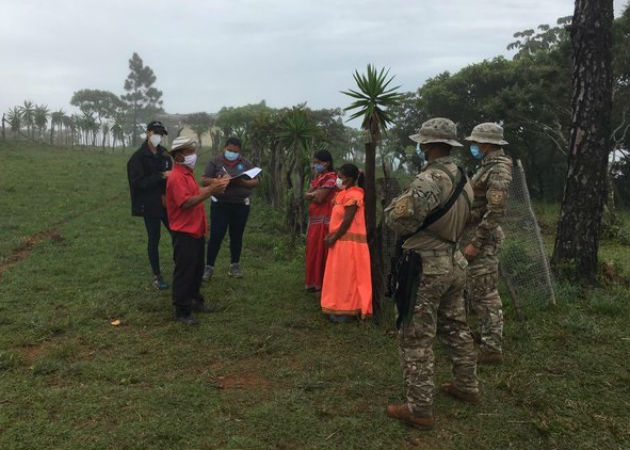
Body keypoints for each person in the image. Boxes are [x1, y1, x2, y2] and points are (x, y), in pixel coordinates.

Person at [384, 117, 478, 430]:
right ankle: (467, 384)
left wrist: (392, 209)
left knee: (416, 336)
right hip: (454, 261)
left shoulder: (428, 180)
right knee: (455, 326)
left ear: (427, 145)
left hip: (426, 266)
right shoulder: (465, 179)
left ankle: (419, 408)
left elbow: (401, 222)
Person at [462, 122, 513, 364]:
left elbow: (495, 211)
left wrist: (477, 242)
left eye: (476, 142)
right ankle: (485, 335)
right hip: (476, 232)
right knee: (477, 289)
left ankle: (492, 348)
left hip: (485, 238)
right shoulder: (487, 166)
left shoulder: (499, 169)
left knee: (486, 292)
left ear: (486, 143)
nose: (474, 145)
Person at [166, 137, 229, 325]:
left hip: (195, 229)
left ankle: (194, 300)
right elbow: (186, 202)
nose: (194, 155)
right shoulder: (177, 178)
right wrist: (211, 190)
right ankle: (182, 310)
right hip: (184, 231)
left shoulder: (187, 174)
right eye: (189, 152)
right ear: (179, 156)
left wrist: (213, 188)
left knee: (196, 269)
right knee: (185, 271)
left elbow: (195, 193)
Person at [202, 137, 259, 280]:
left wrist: (242, 182)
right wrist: (218, 181)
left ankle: (234, 266)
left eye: (235, 151)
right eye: (229, 150)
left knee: (237, 236)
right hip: (220, 204)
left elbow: (255, 181)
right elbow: (204, 179)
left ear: (240, 151)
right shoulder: (215, 161)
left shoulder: (245, 163)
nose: (232, 153)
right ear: (225, 148)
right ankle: (208, 267)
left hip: (240, 205)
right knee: (216, 236)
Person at [320, 164, 372, 322]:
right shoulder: (343, 193)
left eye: (340, 177)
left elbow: (348, 219)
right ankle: (336, 306)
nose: (338, 179)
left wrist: (335, 236)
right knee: (337, 277)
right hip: (340, 242)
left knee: (347, 278)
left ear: (349, 179)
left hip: (348, 244)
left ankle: (347, 310)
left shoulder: (355, 194)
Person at [127, 120, 173, 290]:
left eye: (161, 134)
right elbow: (138, 183)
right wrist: (161, 176)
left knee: (177, 234)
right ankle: (157, 275)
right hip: (148, 204)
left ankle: (182, 268)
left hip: (166, 203)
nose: (158, 137)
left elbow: (170, 177)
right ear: (147, 133)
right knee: (154, 238)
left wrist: (166, 194)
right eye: (155, 133)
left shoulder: (165, 154)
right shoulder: (138, 158)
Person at [304, 150, 337, 292]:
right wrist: (313, 194)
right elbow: (309, 194)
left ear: (327, 163)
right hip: (315, 219)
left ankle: (321, 283)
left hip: (324, 220)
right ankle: (312, 282)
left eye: (318, 162)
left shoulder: (331, 178)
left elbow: (319, 198)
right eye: (315, 162)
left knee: (320, 251)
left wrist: (312, 194)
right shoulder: (319, 177)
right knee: (312, 250)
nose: (316, 165)